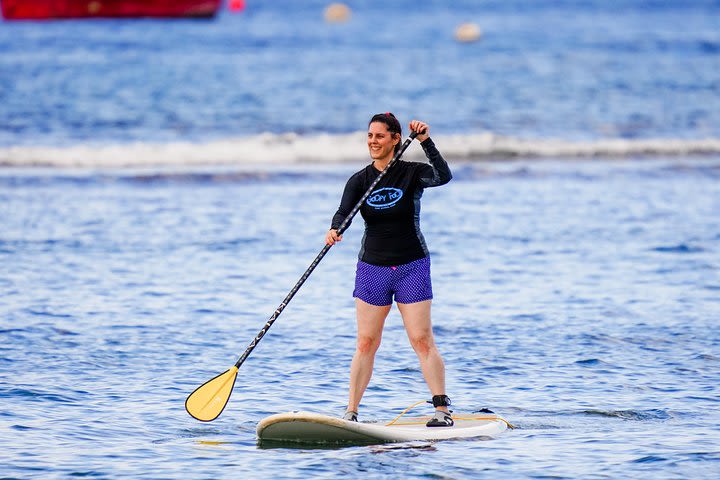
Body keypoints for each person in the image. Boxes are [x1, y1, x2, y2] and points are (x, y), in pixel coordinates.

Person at [326, 112, 454, 427]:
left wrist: (426, 141)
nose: (373, 141)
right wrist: (334, 229)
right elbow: (344, 212)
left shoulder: (412, 174)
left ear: (395, 139)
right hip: (372, 268)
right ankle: (351, 412)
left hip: (412, 265)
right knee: (366, 342)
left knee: (422, 339)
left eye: (380, 136)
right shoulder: (359, 180)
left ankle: (441, 410)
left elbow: (443, 175)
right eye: (370, 136)